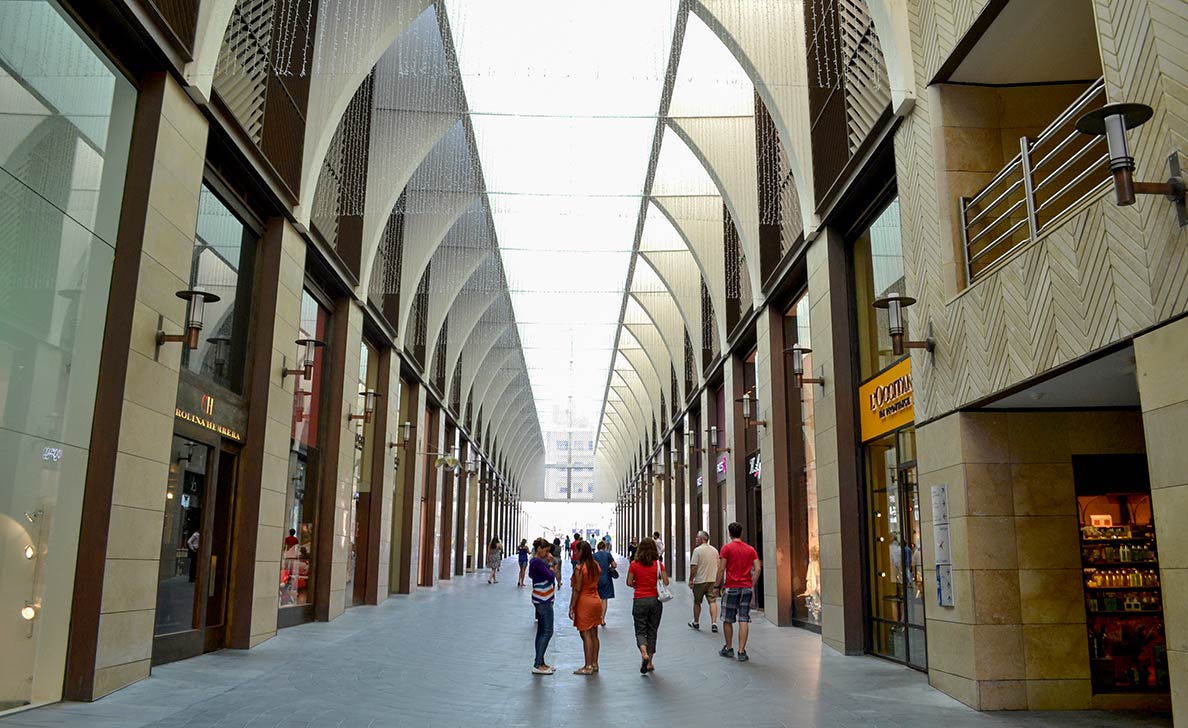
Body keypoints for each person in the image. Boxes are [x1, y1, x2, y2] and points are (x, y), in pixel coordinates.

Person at [717, 522, 761, 662]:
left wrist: (717, 586)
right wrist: (751, 583)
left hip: (731, 587)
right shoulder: (750, 549)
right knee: (743, 618)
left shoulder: (726, 548)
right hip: (746, 588)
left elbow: (721, 568)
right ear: (741, 533)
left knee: (727, 619)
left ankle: (729, 648)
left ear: (729, 533)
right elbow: (758, 568)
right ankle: (741, 651)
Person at [627, 537, 668, 674]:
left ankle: (643, 653)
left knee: (640, 629)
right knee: (652, 630)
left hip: (639, 599)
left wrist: (637, 584)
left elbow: (628, 582)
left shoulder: (634, 564)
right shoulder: (658, 564)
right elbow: (666, 581)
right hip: (655, 600)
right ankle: (649, 662)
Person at [568, 540, 602, 675]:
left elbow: (577, 590)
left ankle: (587, 666)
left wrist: (571, 606)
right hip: (596, 600)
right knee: (594, 633)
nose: (575, 553)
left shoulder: (580, 569)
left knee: (585, 633)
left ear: (582, 552)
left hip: (585, 602)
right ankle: (594, 663)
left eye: (577, 550)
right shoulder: (595, 566)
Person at [528, 538, 557, 675]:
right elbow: (551, 576)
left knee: (541, 631)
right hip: (543, 599)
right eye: (545, 551)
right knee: (547, 631)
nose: (547, 554)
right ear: (539, 548)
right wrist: (551, 564)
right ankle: (538, 663)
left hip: (540, 598)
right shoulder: (538, 562)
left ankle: (540, 661)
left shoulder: (534, 562)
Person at [688, 530, 720, 632]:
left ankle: (696, 622)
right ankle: (714, 623)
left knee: (697, 602)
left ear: (702, 539)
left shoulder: (697, 551)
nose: (696, 539)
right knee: (712, 601)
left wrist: (690, 580)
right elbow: (718, 566)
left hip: (700, 581)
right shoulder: (714, 550)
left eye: (697, 537)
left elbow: (694, 567)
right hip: (712, 580)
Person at [592, 540, 617, 626]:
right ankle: (602, 619)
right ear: (605, 547)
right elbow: (614, 565)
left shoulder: (594, 556)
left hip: (596, 579)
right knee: (604, 599)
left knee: (596, 598)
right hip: (606, 578)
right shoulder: (608, 555)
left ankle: (596, 617)